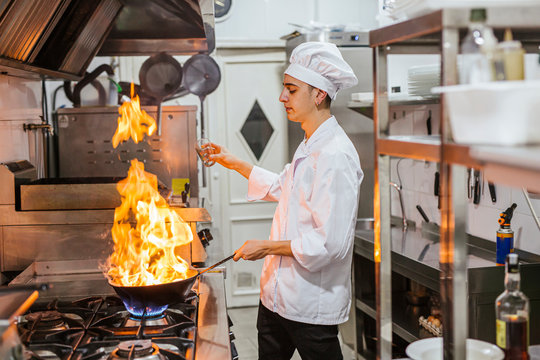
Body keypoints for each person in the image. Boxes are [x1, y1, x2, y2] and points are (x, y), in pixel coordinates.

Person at [207, 42, 363, 360]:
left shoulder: (336, 155)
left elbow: (329, 244)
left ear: (319, 94)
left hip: (310, 307)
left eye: (291, 90)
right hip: (276, 300)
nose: (282, 98)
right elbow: (284, 188)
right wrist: (232, 161)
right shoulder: (309, 144)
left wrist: (266, 247)